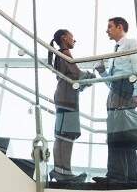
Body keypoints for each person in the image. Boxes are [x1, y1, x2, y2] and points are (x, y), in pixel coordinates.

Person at [93, 17, 137, 183]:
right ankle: (116, 174)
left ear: (119, 27)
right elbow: (112, 82)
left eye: (109, 27)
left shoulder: (130, 43)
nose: (107, 30)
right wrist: (102, 71)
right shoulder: (114, 51)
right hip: (115, 93)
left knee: (123, 134)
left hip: (126, 91)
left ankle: (125, 176)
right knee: (114, 134)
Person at [47, 29, 95, 182]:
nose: (74, 40)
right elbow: (78, 77)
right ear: (64, 37)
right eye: (72, 37)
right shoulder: (66, 54)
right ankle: (64, 173)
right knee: (68, 134)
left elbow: (73, 79)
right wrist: (91, 76)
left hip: (63, 97)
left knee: (62, 135)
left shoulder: (60, 55)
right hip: (67, 99)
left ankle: (59, 170)